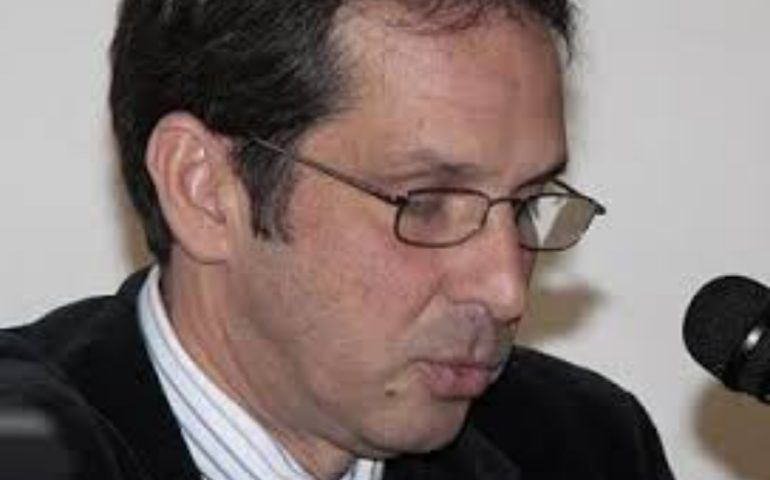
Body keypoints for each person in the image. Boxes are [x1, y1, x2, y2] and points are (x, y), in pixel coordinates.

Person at [0, 0, 676, 479]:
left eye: (526, 203)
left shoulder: (587, 447)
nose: (506, 290)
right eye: (426, 203)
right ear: (203, 190)